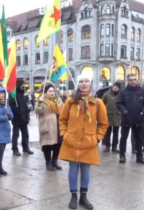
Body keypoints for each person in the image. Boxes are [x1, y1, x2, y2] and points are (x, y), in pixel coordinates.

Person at [59, 73, 108, 209]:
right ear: (78, 84)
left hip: (89, 143)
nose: (84, 84)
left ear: (90, 84)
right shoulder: (70, 101)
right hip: (72, 141)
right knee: (73, 170)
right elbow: (62, 120)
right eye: (81, 81)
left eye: (86, 81)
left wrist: (97, 138)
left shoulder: (98, 103)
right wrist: (64, 134)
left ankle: (83, 197)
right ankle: (73, 196)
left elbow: (104, 124)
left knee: (86, 171)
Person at [116, 73, 144, 164]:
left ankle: (139, 156)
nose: (133, 81)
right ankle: (122, 155)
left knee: (139, 138)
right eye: (131, 80)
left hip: (138, 119)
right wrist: (124, 111)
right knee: (123, 137)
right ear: (128, 81)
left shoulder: (142, 91)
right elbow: (119, 103)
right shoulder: (123, 92)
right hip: (126, 118)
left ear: (137, 79)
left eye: (134, 79)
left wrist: (142, 112)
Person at [35, 82, 63, 171]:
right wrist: (39, 103)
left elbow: (63, 109)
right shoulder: (41, 100)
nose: (52, 93)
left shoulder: (58, 100)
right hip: (47, 126)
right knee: (47, 145)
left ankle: (55, 161)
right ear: (45, 92)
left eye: (53, 91)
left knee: (57, 145)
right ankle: (48, 162)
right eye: (49, 91)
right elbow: (37, 111)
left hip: (58, 126)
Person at [9, 79, 33, 156]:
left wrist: (28, 112)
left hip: (24, 118)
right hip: (17, 118)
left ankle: (25, 147)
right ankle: (14, 148)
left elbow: (27, 105)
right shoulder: (13, 94)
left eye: (24, 84)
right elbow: (12, 105)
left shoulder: (24, 94)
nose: (24, 86)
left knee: (25, 134)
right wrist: (17, 112)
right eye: (22, 84)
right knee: (16, 135)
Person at [102, 82, 121, 153]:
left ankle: (114, 147)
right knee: (108, 133)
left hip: (117, 116)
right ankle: (107, 146)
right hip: (108, 116)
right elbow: (102, 104)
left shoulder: (121, 95)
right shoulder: (106, 94)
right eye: (114, 86)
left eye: (116, 86)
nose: (115, 87)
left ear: (119, 88)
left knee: (116, 133)